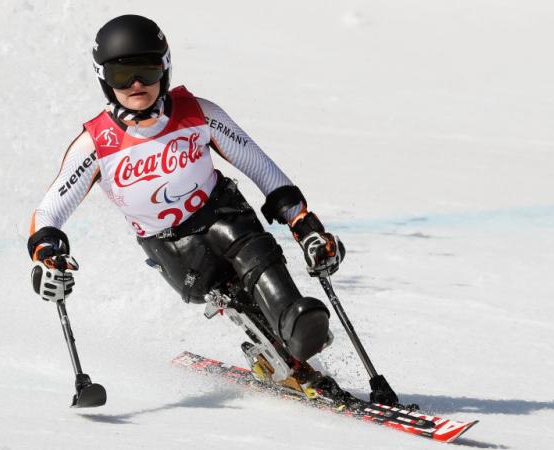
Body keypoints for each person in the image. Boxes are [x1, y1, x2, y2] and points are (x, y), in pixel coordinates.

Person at [28, 15, 344, 367]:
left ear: (164, 69)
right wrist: (46, 257)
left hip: (225, 215)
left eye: (146, 71)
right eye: (121, 75)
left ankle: (294, 323)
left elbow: (261, 168)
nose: (136, 84)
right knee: (225, 269)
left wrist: (303, 224)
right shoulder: (96, 144)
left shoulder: (198, 113)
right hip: (176, 251)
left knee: (244, 240)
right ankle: (279, 338)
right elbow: (49, 212)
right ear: (103, 79)